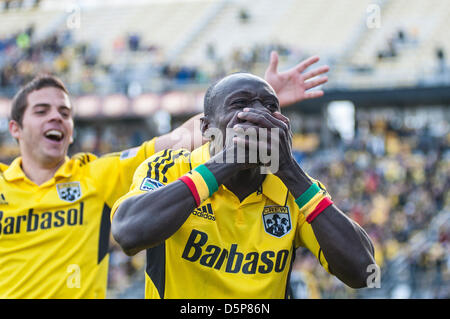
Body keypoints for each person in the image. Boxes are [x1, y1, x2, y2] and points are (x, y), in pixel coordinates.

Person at [0, 51, 329, 298]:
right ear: (14, 127)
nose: (56, 118)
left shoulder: (96, 175)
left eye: (65, 113)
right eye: (41, 111)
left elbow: (182, 137)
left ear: (72, 131)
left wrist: (257, 105)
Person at [110, 72, 376, 298]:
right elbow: (129, 234)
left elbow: (364, 273)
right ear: (206, 127)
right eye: (240, 104)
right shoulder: (170, 167)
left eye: (271, 107)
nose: (259, 114)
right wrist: (227, 163)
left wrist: (289, 170)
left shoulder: (296, 188)